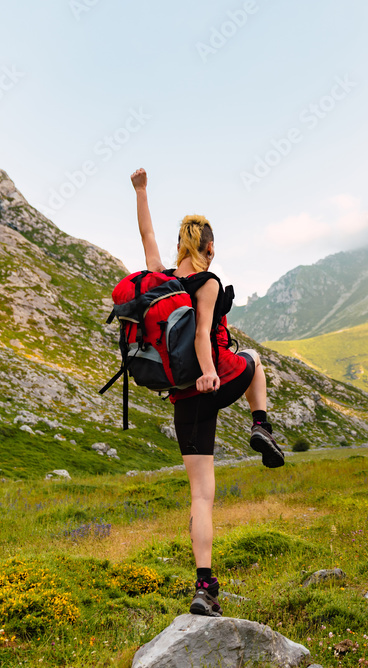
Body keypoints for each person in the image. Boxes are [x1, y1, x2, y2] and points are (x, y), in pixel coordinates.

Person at [131, 167, 285, 617]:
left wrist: (141, 190)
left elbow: (145, 235)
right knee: (255, 361)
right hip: (215, 375)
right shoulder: (208, 282)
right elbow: (202, 334)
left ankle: (204, 586)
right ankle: (261, 427)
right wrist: (208, 373)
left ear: (181, 246)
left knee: (201, 495)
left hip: (182, 395)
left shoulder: (162, 279)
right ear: (209, 247)